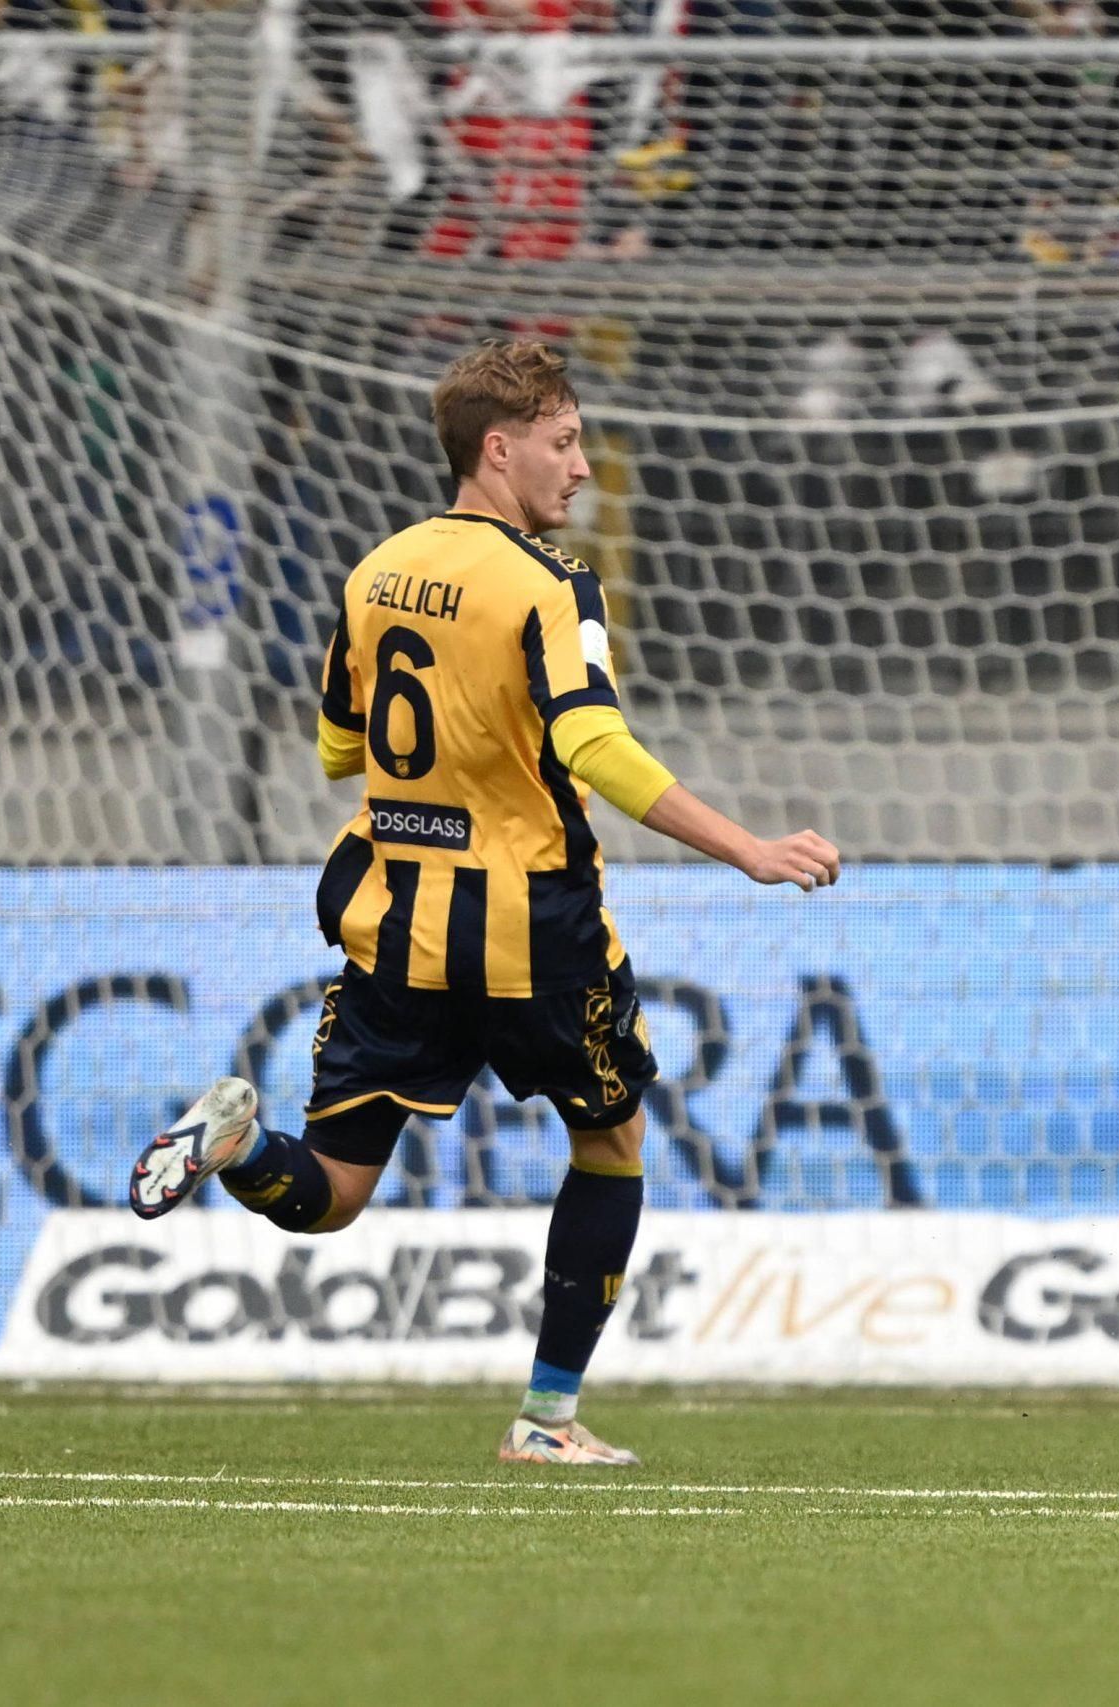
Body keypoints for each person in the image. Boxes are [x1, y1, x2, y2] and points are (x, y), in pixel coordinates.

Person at [126, 338, 841, 1466]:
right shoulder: (549, 585)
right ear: (497, 449)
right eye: (563, 443)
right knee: (609, 1144)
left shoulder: (374, 572)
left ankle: (238, 1142)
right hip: (530, 928)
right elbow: (592, 741)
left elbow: (333, 746)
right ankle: (545, 1422)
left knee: (331, 1191)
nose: (583, 469)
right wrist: (744, 848)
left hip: (394, 920)